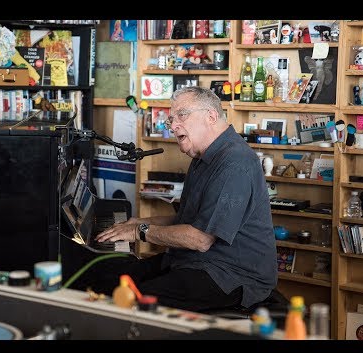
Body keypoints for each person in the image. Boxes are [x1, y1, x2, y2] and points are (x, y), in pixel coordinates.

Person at [68, 86, 277, 313]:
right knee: (107, 276)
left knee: (135, 300)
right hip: (194, 262)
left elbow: (200, 239)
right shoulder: (203, 155)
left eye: (182, 115)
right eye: (170, 120)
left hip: (231, 275)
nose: (173, 125)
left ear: (211, 116)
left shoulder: (235, 163)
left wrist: (142, 231)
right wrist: (138, 222)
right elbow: (188, 219)